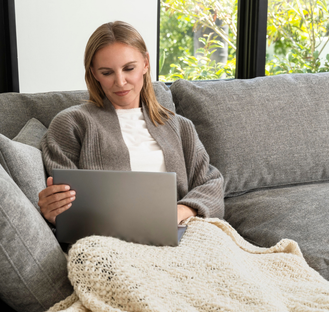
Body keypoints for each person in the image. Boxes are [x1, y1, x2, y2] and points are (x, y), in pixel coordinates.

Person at [38, 21, 224, 229]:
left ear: (145, 63)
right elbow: (66, 205)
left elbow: (212, 184)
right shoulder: (72, 124)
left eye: (129, 68)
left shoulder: (180, 126)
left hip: (179, 233)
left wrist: (178, 212)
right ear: (93, 73)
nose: (120, 81)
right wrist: (53, 213)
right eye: (107, 72)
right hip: (108, 238)